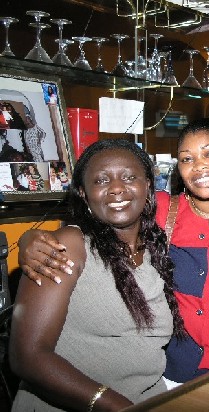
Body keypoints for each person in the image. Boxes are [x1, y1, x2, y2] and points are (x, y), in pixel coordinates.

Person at [18, 115, 209, 386]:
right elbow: (97, 220)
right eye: (187, 159)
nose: (199, 166)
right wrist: (32, 240)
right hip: (179, 374)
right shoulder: (161, 210)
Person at [10, 139, 184, 411]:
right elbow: (27, 357)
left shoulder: (155, 250)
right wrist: (115, 405)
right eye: (101, 181)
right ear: (83, 193)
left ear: (148, 186)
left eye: (129, 177)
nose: (116, 188)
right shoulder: (68, 246)